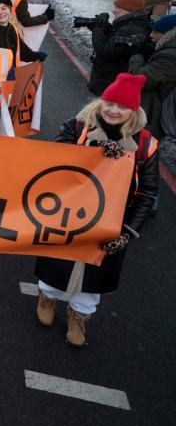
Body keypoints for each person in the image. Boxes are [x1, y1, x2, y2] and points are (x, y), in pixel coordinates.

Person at [33, 73, 159, 348]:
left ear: (133, 111)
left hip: (112, 222)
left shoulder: (147, 144)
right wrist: (92, 149)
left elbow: (148, 191)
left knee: (94, 274)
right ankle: (47, 298)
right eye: (110, 103)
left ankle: (78, 317)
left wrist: (128, 231)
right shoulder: (78, 125)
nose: (114, 111)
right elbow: (55, 155)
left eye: (122, 107)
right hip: (68, 212)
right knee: (57, 263)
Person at [87, 0, 152, 95]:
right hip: (112, 78)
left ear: (128, 10)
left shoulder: (130, 31)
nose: (114, 11)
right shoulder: (131, 25)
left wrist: (98, 29)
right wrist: (105, 28)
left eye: (117, 8)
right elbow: (116, 43)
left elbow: (105, 51)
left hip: (112, 81)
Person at [128, 13, 176, 136]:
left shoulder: (168, 58)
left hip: (158, 116)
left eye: (155, 32)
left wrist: (137, 55)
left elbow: (139, 79)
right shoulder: (169, 51)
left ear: (168, 35)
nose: (151, 35)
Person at [0, 0, 46, 65]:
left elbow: (22, 51)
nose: (0, 13)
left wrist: (36, 56)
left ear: (10, 10)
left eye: (4, 8)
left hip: (9, 71)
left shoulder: (12, 28)